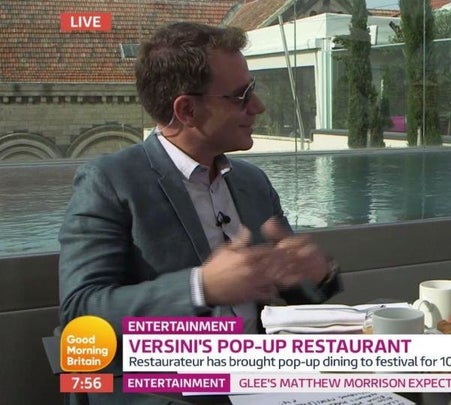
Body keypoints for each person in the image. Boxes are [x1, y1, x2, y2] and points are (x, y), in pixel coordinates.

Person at [58, 22, 341, 403]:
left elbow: (296, 299)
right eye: (241, 96)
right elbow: (80, 317)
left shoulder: (253, 183)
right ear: (187, 109)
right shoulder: (108, 182)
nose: (257, 107)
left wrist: (316, 276)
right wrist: (200, 287)